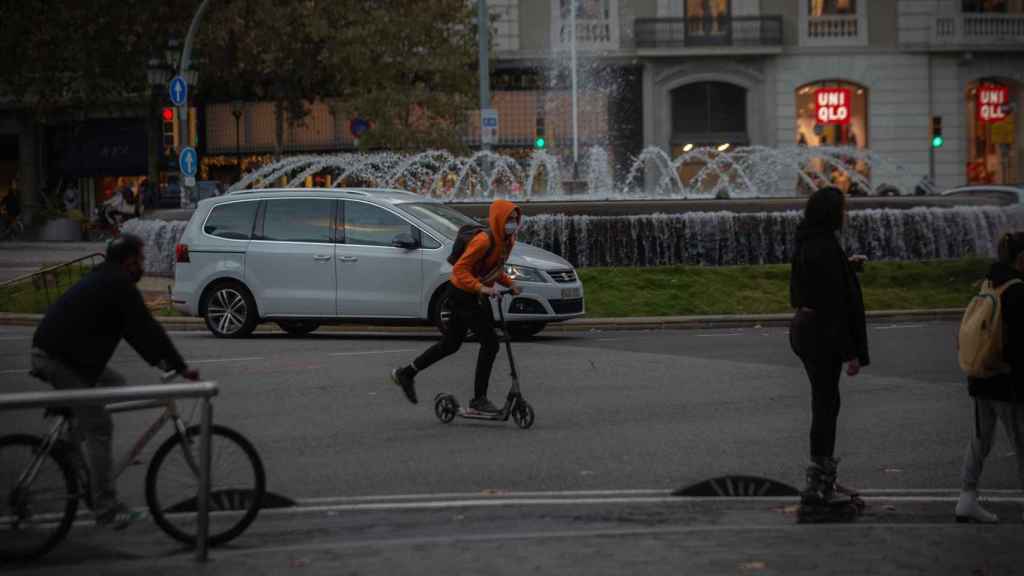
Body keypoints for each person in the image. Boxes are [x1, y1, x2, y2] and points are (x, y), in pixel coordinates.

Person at [30, 234, 200, 529]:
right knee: (100, 426)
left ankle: (69, 442)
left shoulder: (107, 278)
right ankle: (106, 509)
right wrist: (181, 367)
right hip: (58, 358)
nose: (143, 265)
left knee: (115, 383)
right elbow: (147, 327)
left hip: (66, 355)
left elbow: (135, 333)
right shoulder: (118, 284)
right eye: (141, 260)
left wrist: (164, 362)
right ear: (128, 261)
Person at [390, 199, 523, 412]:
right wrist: (481, 288)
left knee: (451, 344)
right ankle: (479, 400)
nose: (513, 223)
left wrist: (509, 283)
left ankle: (406, 373)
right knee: (490, 344)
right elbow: (460, 270)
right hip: (462, 294)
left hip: (474, 294)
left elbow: (494, 267)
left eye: (515, 219)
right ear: (498, 219)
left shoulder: (508, 240)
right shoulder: (482, 241)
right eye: (509, 219)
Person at [789, 186, 870, 506]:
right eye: (842, 209)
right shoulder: (822, 245)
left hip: (806, 328)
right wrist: (850, 353)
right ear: (831, 213)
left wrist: (846, 267)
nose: (845, 214)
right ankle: (820, 482)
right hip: (819, 333)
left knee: (825, 402)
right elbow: (831, 306)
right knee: (826, 405)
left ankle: (823, 477)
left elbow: (817, 283)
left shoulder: (810, 240)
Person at [955, 231, 1024, 523]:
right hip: (1008, 382)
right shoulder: (1017, 291)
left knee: (980, 440)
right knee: (1022, 442)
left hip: (980, 376)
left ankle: (966, 499)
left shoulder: (988, 283)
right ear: (1022, 259)